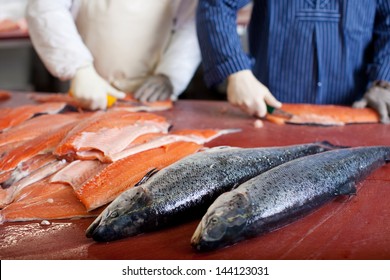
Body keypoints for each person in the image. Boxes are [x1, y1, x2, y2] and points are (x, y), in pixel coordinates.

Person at [196, 0, 390, 123]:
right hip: (270, 113)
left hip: (357, 113)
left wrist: (384, 80)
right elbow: (216, 4)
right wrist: (236, 71)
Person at [26, 0, 201, 110]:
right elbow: (45, 7)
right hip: (83, 93)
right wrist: (80, 68)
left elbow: (191, 23)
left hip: (148, 97)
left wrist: (171, 74)